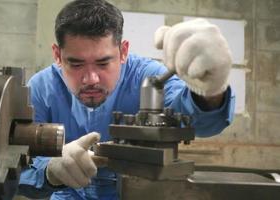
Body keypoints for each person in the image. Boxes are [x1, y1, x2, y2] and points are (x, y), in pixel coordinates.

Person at [17, 0, 235, 199]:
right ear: (57, 55)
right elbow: (18, 167)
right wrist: (50, 171)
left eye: (103, 63)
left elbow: (195, 119)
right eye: (76, 64)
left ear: (123, 52)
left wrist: (210, 92)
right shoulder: (42, 88)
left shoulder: (148, 76)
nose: (91, 79)